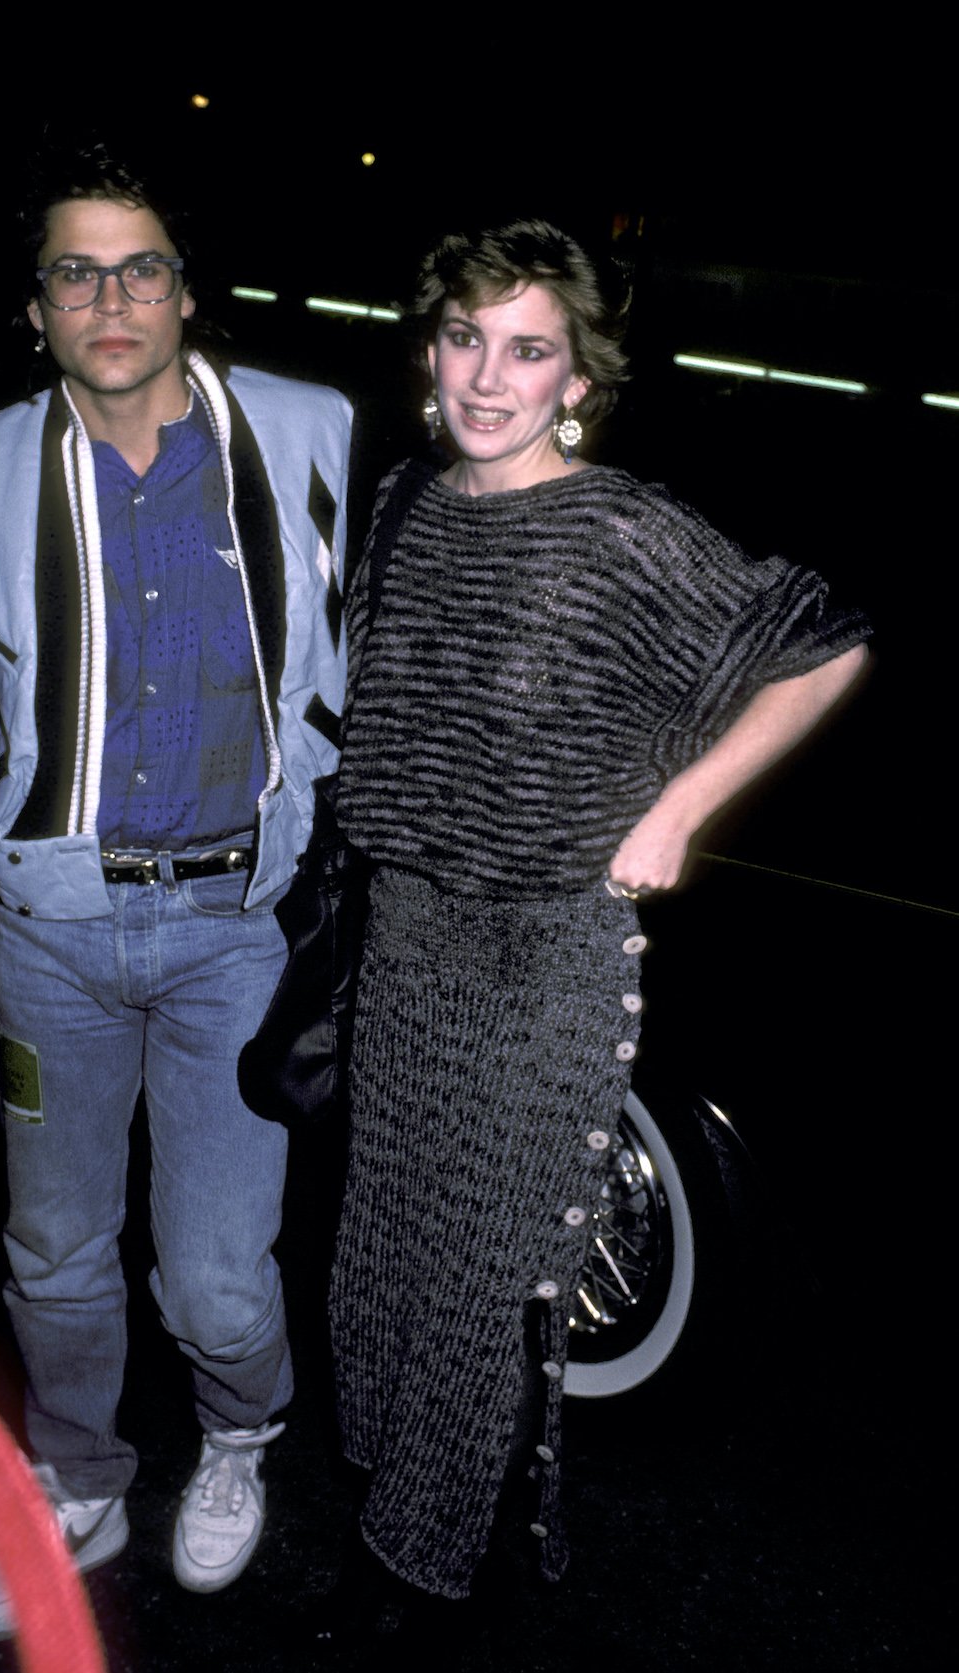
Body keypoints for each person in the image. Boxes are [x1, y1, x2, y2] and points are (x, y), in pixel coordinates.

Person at [325, 218, 869, 1638]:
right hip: (408, 942)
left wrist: (678, 810)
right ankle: (403, 1515)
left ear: (577, 379)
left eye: (528, 351)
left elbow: (822, 646)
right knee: (383, 1253)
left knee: (479, 1280)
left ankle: (419, 1576)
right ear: (428, 351)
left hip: (545, 959)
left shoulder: (618, 530)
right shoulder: (404, 503)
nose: (485, 377)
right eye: (464, 339)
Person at [0, 141, 352, 1641]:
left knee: (216, 1278)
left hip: (239, 929)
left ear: (187, 293)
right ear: (36, 306)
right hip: (50, 929)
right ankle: (78, 1477)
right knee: (54, 1254)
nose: (112, 300)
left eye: (142, 270)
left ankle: (239, 1435)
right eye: (78, 273)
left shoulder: (313, 431)